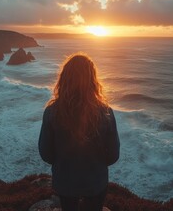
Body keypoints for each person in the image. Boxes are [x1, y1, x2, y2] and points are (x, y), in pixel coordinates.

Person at [39, 53, 120, 211]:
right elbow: (113, 155)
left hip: (65, 183)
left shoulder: (51, 112)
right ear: (93, 81)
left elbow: (45, 154)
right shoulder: (106, 113)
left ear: (64, 79)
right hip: (96, 182)